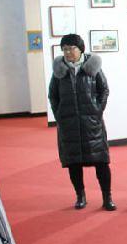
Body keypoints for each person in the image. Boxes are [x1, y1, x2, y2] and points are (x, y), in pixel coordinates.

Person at [49, 33, 115, 211]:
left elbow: (104, 90)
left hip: (91, 124)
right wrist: (59, 115)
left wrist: (97, 111)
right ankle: (80, 196)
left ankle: (107, 197)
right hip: (68, 124)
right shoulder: (59, 71)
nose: (68, 52)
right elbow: (52, 96)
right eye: (64, 49)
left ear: (81, 49)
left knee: (101, 162)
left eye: (71, 48)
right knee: (73, 163)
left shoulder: (92, 68)